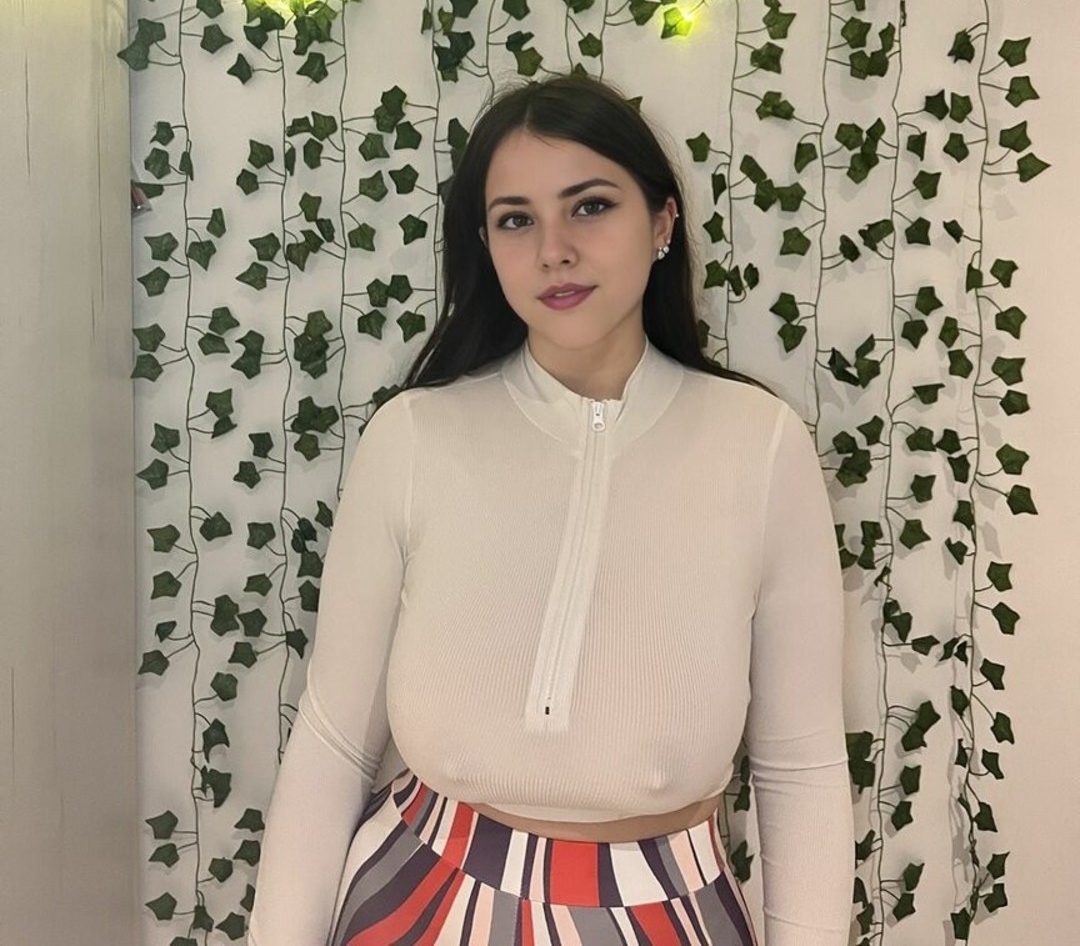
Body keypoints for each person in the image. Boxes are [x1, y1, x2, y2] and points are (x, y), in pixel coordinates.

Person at [248, 73, 854, 946]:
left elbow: (801, 768)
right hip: (418, 901)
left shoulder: (760, 445)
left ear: (662, 223)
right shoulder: (415, 437)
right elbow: (333, 743)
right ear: (485, 245)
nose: (554, 251)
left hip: (669, 912)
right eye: (516, 220)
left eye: (590, 207)